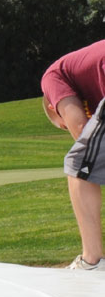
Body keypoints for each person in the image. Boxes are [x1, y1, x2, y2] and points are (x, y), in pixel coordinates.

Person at [41, 40, 105, 271]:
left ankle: (92, 261)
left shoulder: (52, 77)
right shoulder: (90, 84)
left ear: (53, 108)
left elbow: (80, 127)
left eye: (61, 125)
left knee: (79, 166)